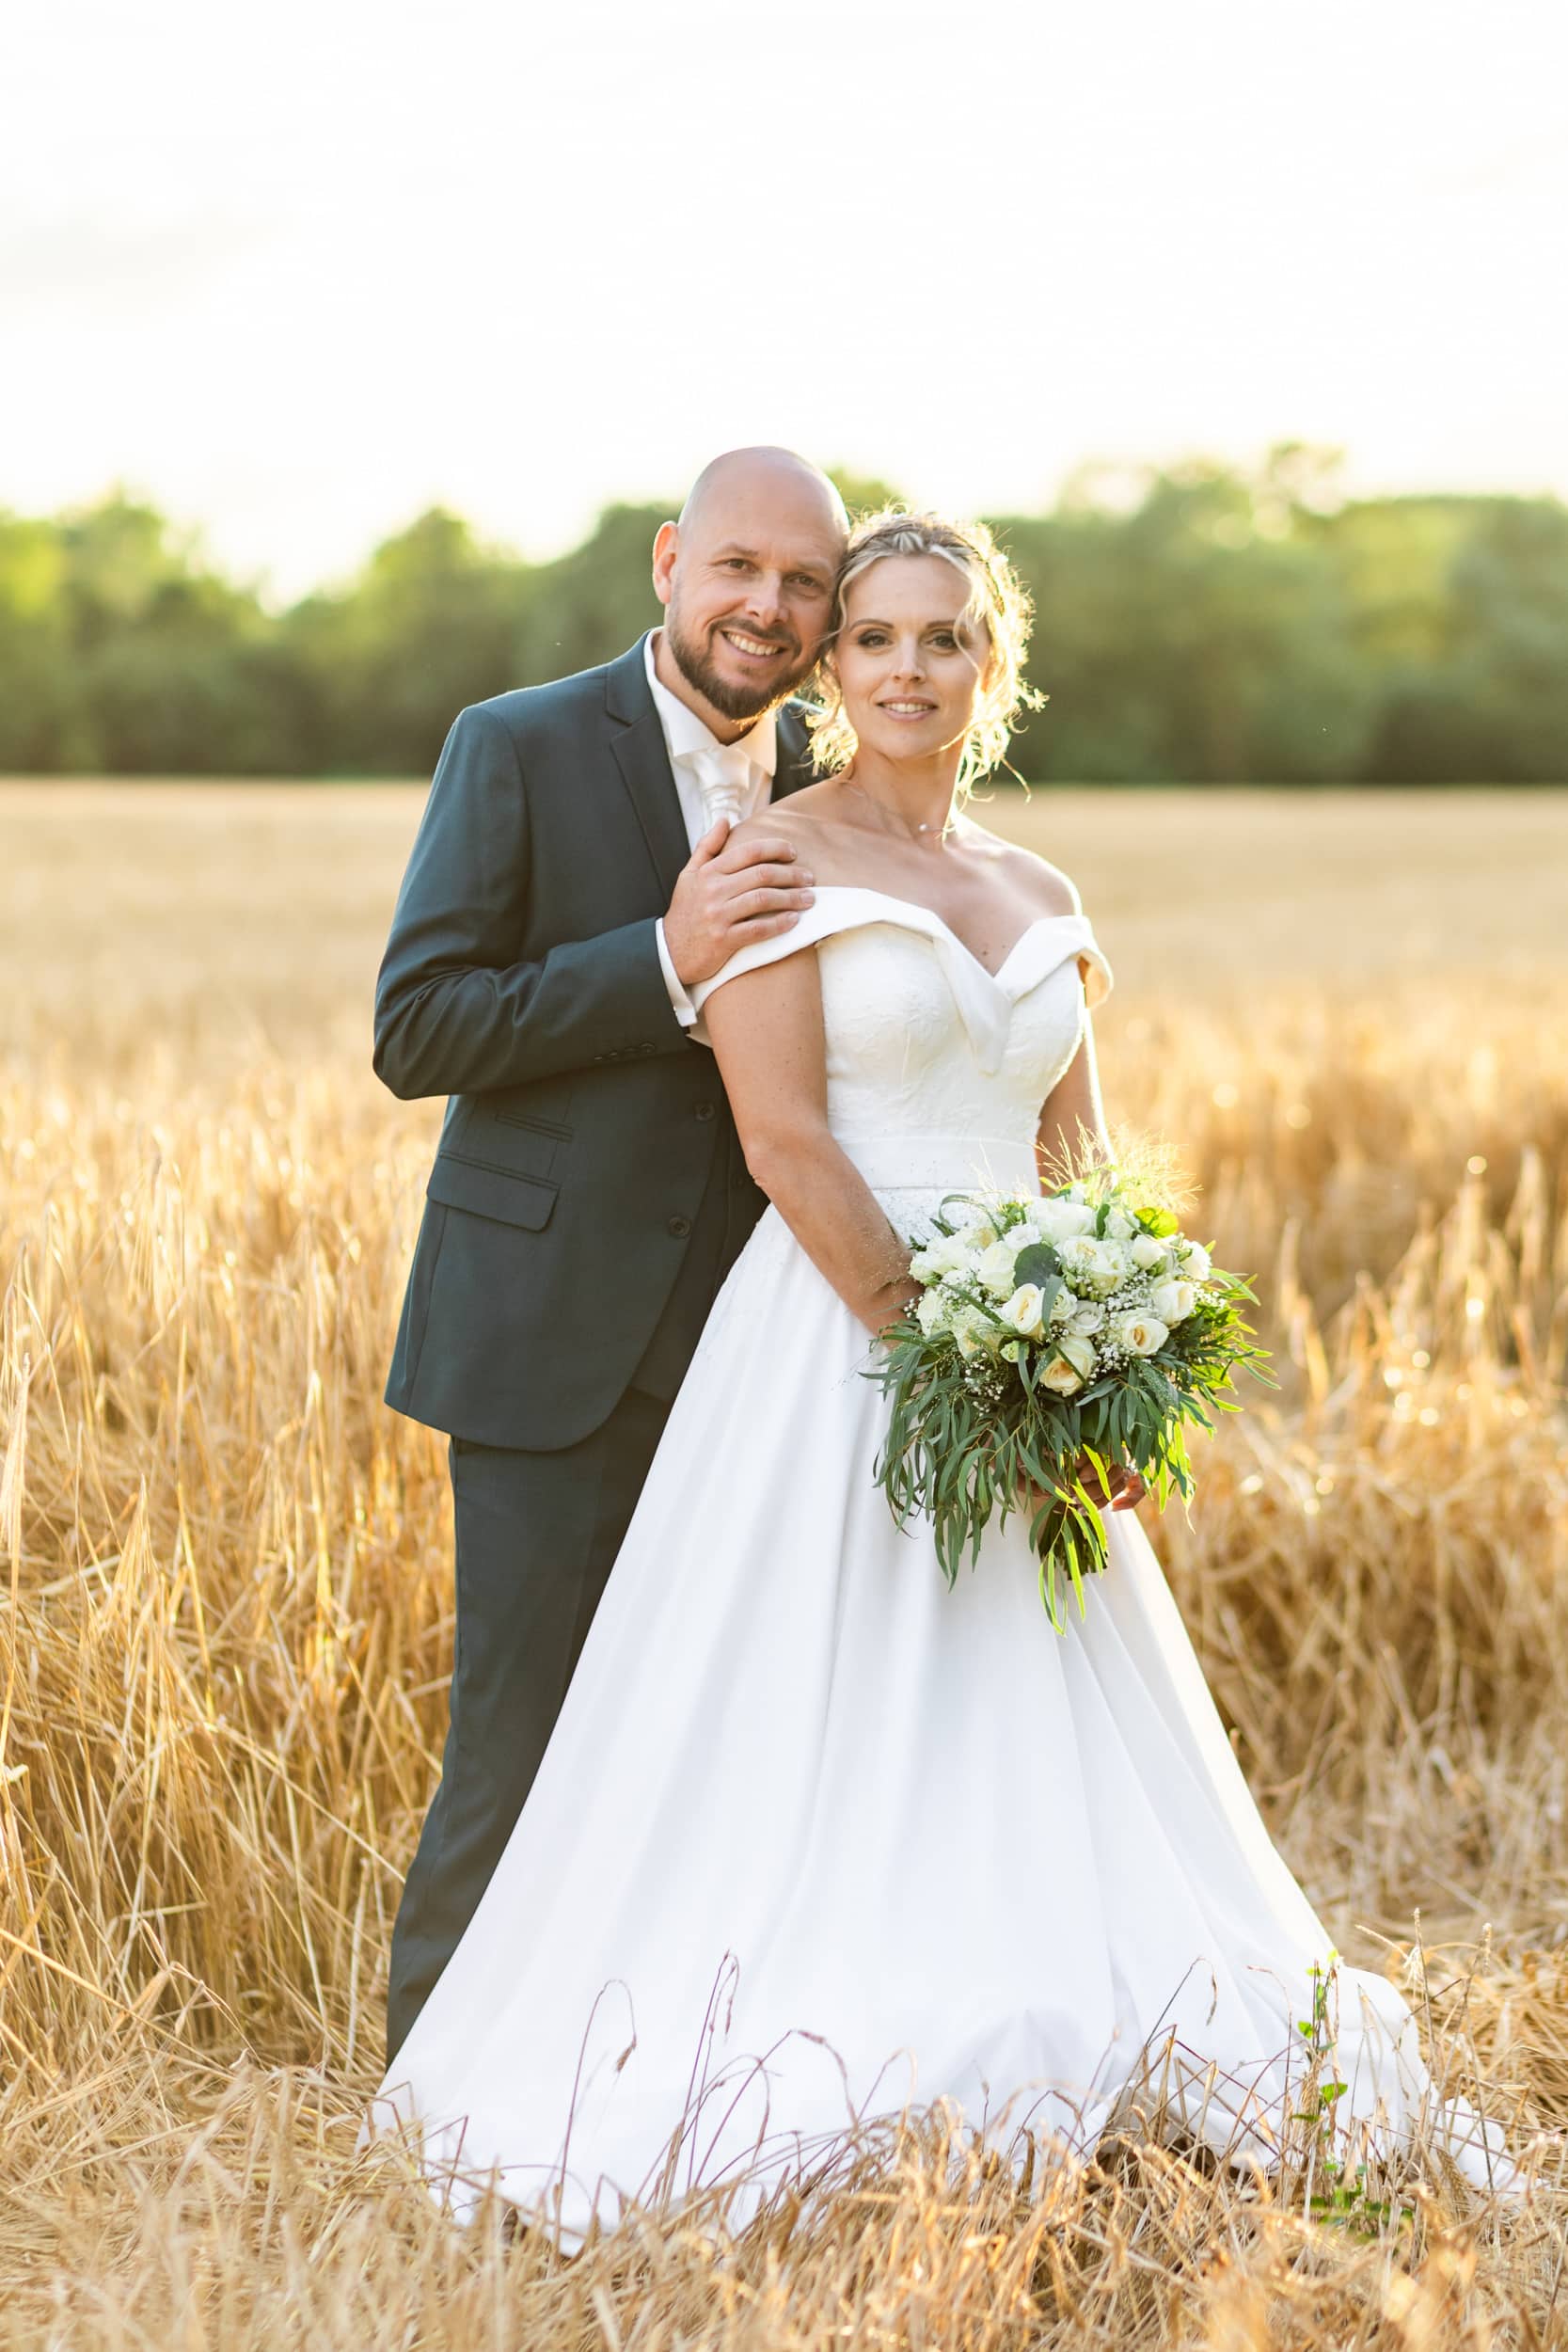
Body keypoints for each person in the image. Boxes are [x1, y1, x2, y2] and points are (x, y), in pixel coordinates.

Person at [373, 509, 1520, 2235]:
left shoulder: (1042, 892)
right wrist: (954, 1366)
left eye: (945, 640)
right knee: (758, 1733)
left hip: (1024, 1349)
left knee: (1026, 1701)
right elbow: (783, 1144)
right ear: (836, 670)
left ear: (996, 669)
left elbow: (1086, 1160)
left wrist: (1113, 1363)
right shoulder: (774, 859)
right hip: (846, 1353)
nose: (908, 668)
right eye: (880, 638)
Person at [372, 447, 849, 2063]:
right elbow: (418, 1026)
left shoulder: (848, 788)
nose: (766, 609)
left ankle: (650, 2086)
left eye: (802, 584)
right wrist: (661, 958)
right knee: (515, 1747)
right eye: (738, 569)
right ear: (669, 561)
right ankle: (428, 2098)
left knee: (707, 1745)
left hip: (759, 1353)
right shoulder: (512, 746)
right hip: (547, 1339)